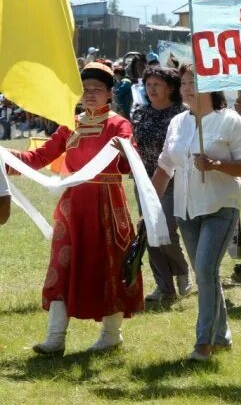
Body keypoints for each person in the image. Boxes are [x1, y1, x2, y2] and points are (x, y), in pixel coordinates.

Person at [13, 62, 143, 355]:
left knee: (110, 267)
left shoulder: (119, 124)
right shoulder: (69, 125)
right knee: (62, 264)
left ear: (110, 93)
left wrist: (125, 149)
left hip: (108, 204)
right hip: (72, 208)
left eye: (97, 89)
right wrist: (7, 158)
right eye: (85, 90)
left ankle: (111, 335)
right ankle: (55, 337)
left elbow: (127, 165)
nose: (90, 94)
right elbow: (38, 157)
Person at [152, 63, 241, 361]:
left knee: (206, 271)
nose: (187, 87)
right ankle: (221, 336)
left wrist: (216, 165)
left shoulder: (230, 121)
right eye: (183, 81)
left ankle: (203, 344)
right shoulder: (178, 122)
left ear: (212, 85)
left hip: (220, 207)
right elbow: (164, 167)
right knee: (205, 273)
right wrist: (150, 206)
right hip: (185, 210)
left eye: (194, 81)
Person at [130, 66, 191, 302]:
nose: (151, 89)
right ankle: (164, 287)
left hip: (173, 180)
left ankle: (182, 271)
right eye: (148, 85)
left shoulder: (182, 113)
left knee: (165, 229)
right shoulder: (139, 113)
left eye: (157, 84)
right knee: (148, 230)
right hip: (143, 181)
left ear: (171, 88)